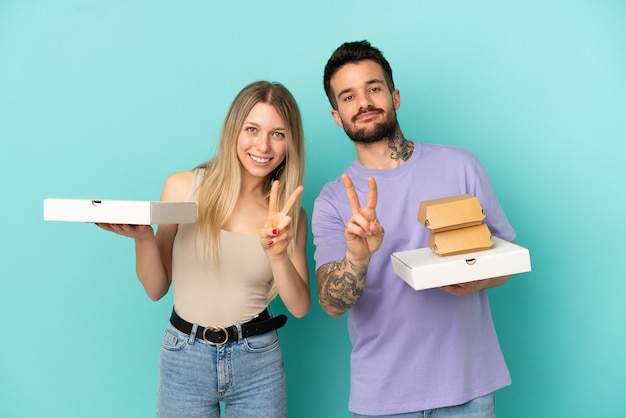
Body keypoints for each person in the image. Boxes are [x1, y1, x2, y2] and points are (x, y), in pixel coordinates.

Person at [312, 40, 516, 417]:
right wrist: (358, 256)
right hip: (383, 396)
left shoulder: (461, 166)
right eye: (348, 96)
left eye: (374, 88)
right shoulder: (332, 199)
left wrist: (477, 280)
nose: (364, 102)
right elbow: (331, 303)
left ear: (395, 96)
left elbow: (505, 260)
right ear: (337, 116)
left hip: (467, 388)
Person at [97, 80, 310, 418]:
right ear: (233, 131)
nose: (263, 145)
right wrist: (142, 238)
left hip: (258, 360)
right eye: (252, 129)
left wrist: (278, 252)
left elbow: (299, 306)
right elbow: (156, 289)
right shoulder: (183, 186)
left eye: (278, 134)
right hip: (184, 356)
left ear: (290, 143)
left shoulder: (287, 214)